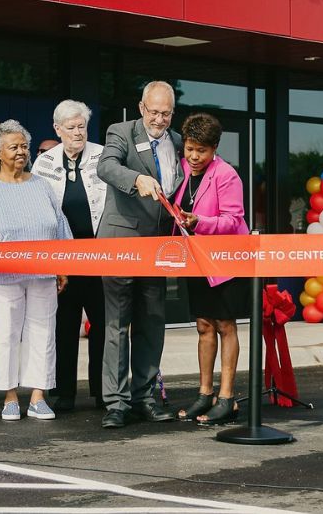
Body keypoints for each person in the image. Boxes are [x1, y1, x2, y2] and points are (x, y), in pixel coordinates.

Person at [0, 120, 72, 421]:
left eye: (24, 146)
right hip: (1, 279)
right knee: (6, 335)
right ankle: (10, 397)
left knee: (43, 334)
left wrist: (63, 268)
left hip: (43, 276)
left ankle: (38, 396)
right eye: (14, 146)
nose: (22, 151)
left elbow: (60, 226)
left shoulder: (41, 185)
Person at [96, 81, 184, 429]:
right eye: (154, 112)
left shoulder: (177, 142)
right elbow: (106, 167)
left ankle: (144, 396)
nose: (160, 119)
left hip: (160, 245)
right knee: (117, 323)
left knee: (151, 322)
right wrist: (136, 180)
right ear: (141, 107)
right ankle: (115, 403)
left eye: (166, 113)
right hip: (122, 241)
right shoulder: (121, 131)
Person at [171, 113, 250, 426]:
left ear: (214, 148)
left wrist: (198, 222)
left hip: (226, 261)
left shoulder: (226, 174)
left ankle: (227, 397)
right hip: (197, 260)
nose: (193, 156)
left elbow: (234, 219)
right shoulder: (183, 170)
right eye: (189, 149)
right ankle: (205, 394)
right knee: (204, 325)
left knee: (225, 325)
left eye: (201, 151)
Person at [33, 101, 108, 412]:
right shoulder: (44, 163)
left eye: (82, 126)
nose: (78, 132)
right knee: (64, 325)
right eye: (72, 127)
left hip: (100, 255)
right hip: (62, 257)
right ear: (57, 129)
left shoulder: (103, 156)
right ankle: (64, 392)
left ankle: (104, 392)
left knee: (103, 324)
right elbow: (37, 210)